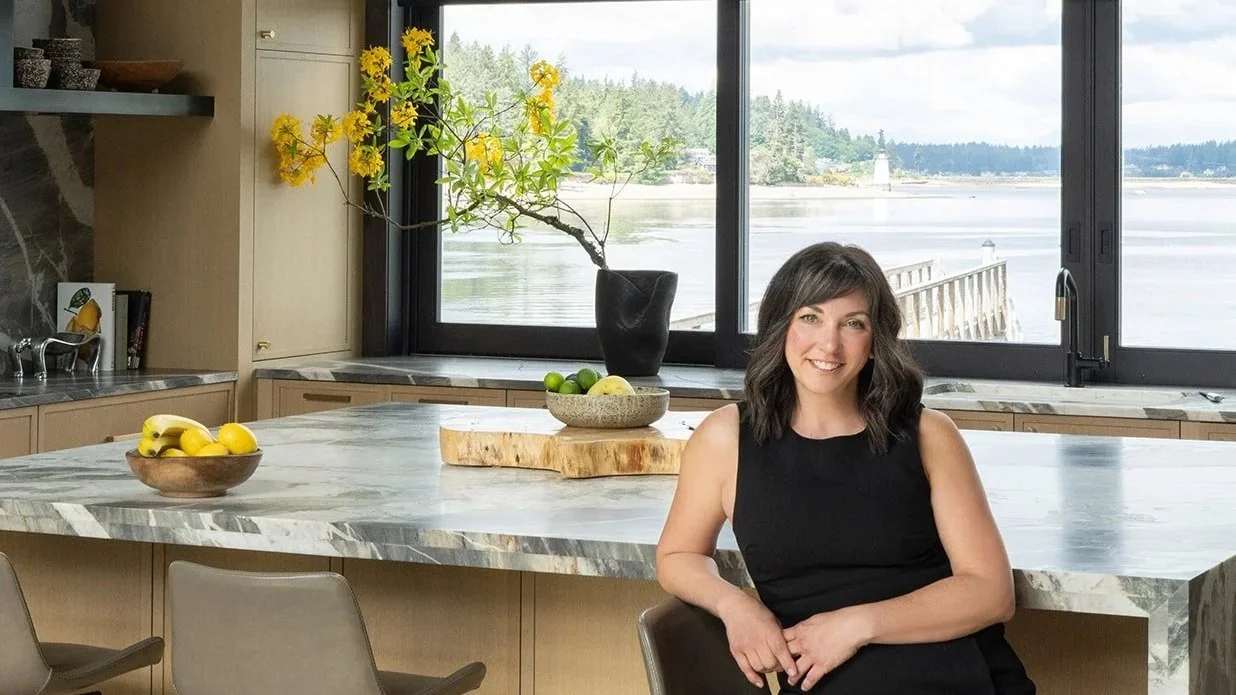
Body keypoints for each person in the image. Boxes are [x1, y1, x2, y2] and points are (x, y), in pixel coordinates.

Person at [655, 242, 1035, 694]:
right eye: (810, 318)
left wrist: (855, 626)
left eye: (853, 324)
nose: (829, 345)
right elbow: (678, 556)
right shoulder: (725, 439)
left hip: (958, 678)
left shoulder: (930, 436)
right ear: (781, 329)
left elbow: (991, 592)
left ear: (875, 343)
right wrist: (736, 607)